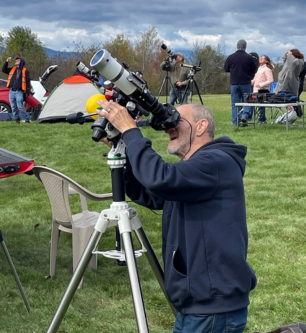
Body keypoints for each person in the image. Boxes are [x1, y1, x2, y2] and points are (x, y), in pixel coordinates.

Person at [95, 101, 257, 333]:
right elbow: (151, 193)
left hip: (212, 306)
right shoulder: (195, 168)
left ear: (201, 126)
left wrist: (131, 131)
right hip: (197, 302)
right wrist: (124, 151)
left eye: (176, 120)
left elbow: (161, 179)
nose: (168, 127)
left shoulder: (216, 162)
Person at [224, 39, 258, 127]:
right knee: (248, 101)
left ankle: (236, 122)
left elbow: (226, 69)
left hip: (234, 83)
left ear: (237, 46)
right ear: (245, 47)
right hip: (246, 82)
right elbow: (255, 69)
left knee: (235, 103)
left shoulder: (231, 57)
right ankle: (245, 115)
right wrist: (249, 75)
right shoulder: (249, 57)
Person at [2, 55, 32, 123]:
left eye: (18, 60)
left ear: (21, 62)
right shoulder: (13, 69)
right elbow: (4, 70)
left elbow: (27, 81)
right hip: (12, 91)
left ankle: (27, 120)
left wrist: (27, 92)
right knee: (13, 107)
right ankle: (17, 119)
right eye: (16, 60)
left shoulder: (25, 70)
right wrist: (7, 62)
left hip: (19, 91)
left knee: (20, 106)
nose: (16, 61)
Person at [249, 54, 274, 124]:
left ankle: (262, 119)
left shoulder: (267, 69)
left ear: (266, 61)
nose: (260, 59)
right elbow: (255, 78)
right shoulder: (259, 68)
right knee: (257, 104)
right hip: (256, 89)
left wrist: (261, 84)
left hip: (263, 90)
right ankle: (259, 118)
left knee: (261, 105)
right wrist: (250, 82)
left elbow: (270, 80)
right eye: (260, 57)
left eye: (262, 58)